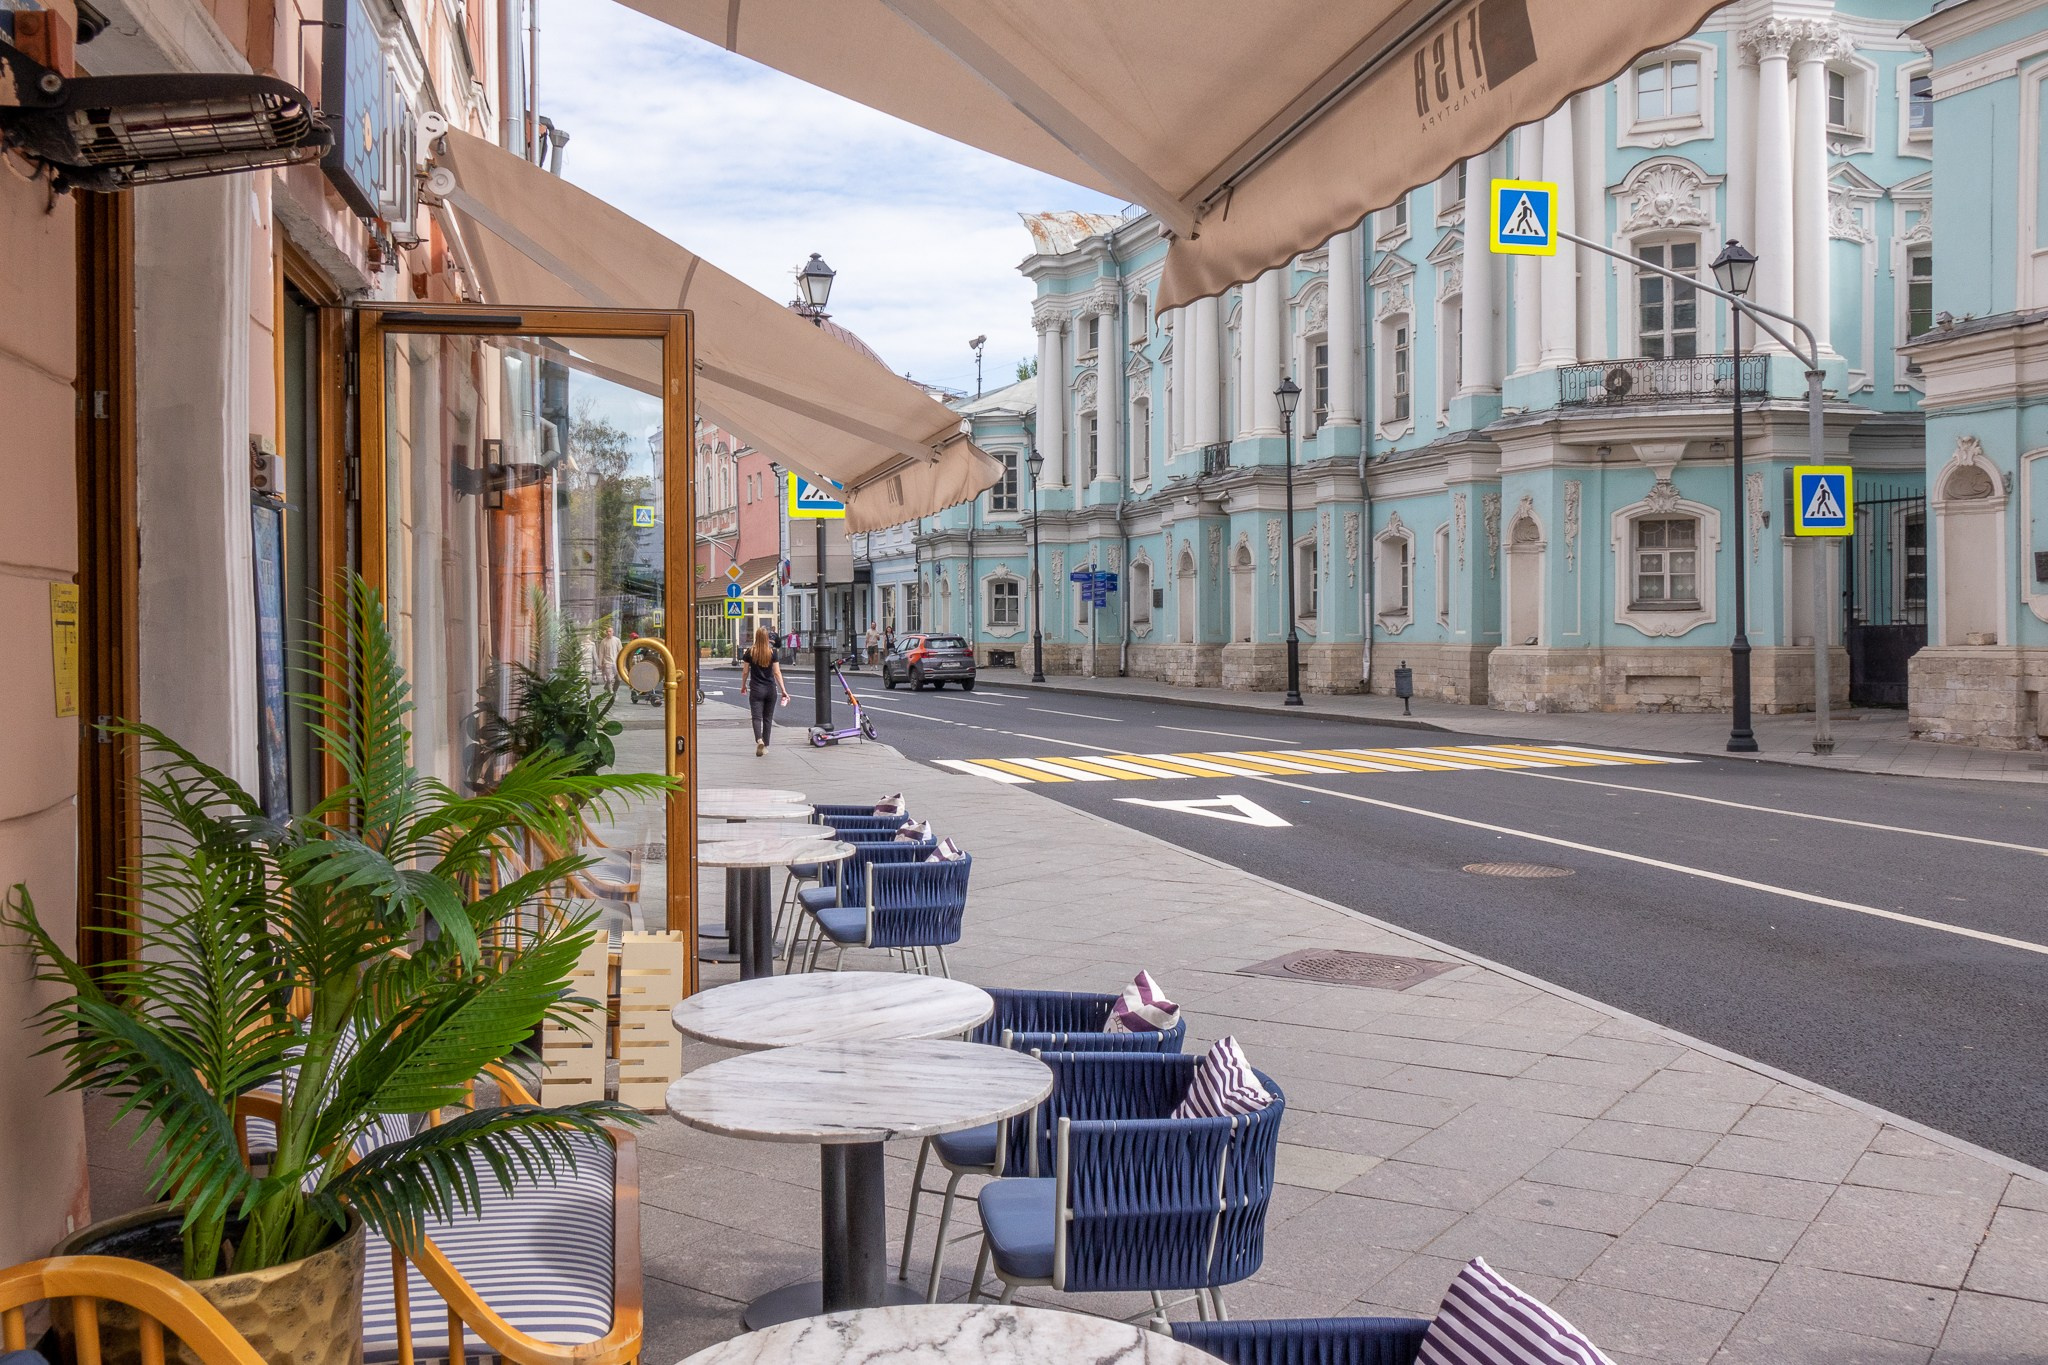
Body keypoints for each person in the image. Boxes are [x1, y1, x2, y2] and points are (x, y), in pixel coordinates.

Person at [741, 625, 791, 756]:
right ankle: (765, 745)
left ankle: (759, 740)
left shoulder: (750, 652)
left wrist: (743, 685)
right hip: (770, 689)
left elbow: (745, 671)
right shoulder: (772, 653)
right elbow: (777, 673)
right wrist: (783, 690)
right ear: (767, 638)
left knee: (756, 717)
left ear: (756, 637)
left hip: (756, 689)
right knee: (768, 718)